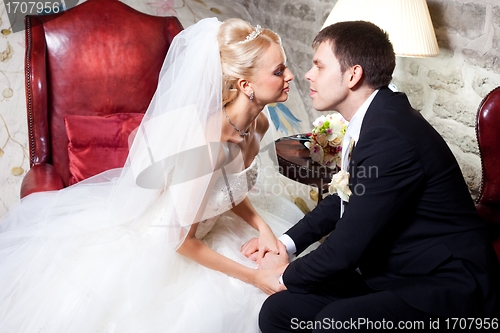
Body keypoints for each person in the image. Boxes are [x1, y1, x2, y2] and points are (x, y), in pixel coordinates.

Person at [0, 17, 298, 332]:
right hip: (169, 243)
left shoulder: (259, 123)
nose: (291, 76)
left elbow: (230, 190)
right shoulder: (208, 146)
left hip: (210, 228)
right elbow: (180, 241)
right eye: (278, 71)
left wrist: (264, 229)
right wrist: (253, 276)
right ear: (245, 85)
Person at [249, 21, 500, 332]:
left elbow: (347, 246)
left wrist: (282, 276)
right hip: (393, 273)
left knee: (335, 322)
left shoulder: (390, 135)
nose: (307, 75)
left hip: (444, 285)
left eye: (319, 66)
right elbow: (343, 199)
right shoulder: (376, 117)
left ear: (353, 75)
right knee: (280, 310)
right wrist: (285, 245)